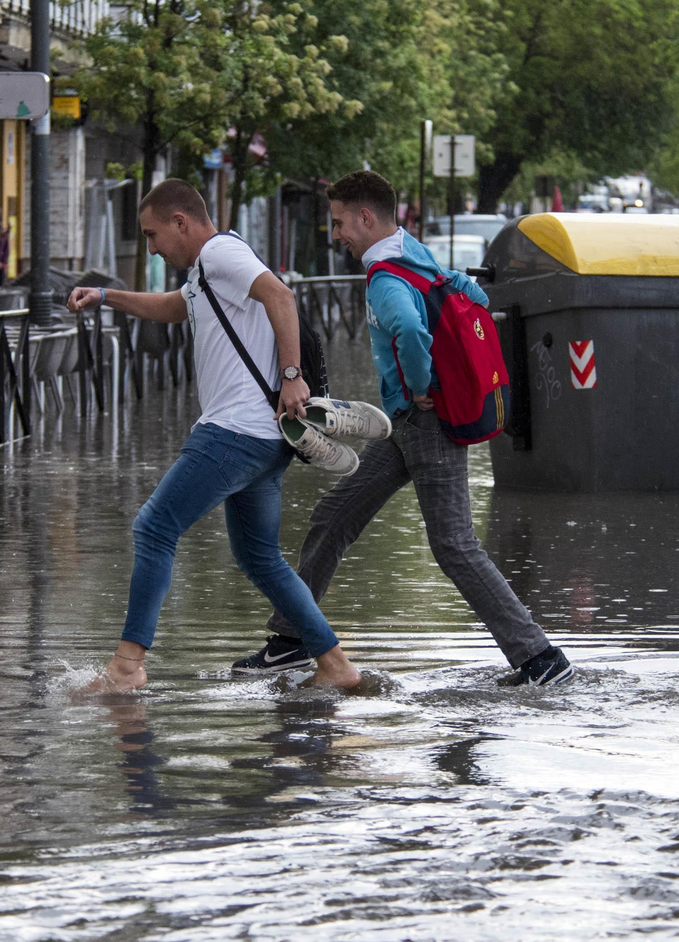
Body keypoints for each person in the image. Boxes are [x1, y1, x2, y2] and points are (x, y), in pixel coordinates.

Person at [235, 170, 574, 687]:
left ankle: (540, 658)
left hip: (424, 420)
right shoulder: (412, 253)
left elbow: (411, 329)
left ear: (366, 217)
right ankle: (291, 640)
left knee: (454, 545)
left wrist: (420, 384)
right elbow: (466, 292)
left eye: (341, 222)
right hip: (407, 426)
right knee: (334, 516)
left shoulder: (386, 278)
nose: (337, 234)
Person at [68, 178, 361, 693]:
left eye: (153, 235)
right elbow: (175, 306)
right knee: (258, 557)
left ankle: (126, 668)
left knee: (154, 527)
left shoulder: (222, 253)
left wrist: (292, 377)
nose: (153, 248)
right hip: (264, 441)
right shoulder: (207, 272)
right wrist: (106, 295)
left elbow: (282, 296)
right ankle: (335, 666)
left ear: (181, 222)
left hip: (233, 431)